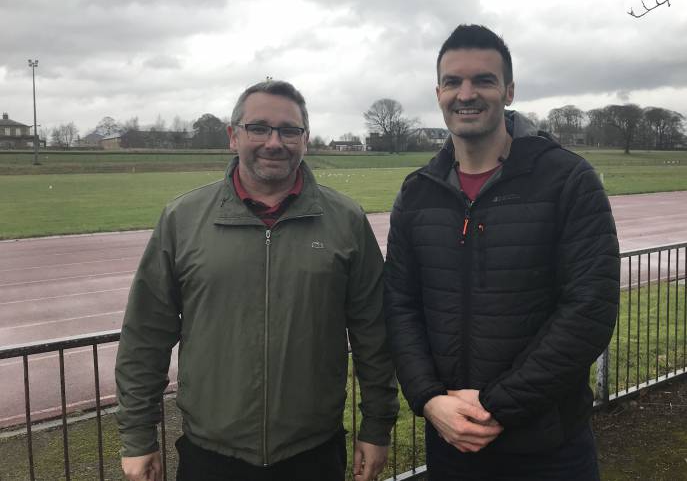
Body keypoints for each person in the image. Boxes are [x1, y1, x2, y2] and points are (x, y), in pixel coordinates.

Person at [115, 79, 398, 481]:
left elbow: (374, 333)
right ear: (234, 136)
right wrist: (138, 435)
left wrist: (377, 425)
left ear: (305, 139)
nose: (274, 142)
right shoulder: (183, 218)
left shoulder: (346, 220)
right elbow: (146, 333)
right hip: (211, 453)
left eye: (289, 130)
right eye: (259, 128)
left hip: (313, 452)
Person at [383, 24, 620, 481]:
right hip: (451, 439)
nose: (466, 93)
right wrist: (430, 399)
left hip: (549, 447)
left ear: (508, 90)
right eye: (453, 81)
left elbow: (590, 308)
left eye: (483, 80)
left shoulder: (567, 179)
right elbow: (400, 306)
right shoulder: (417, 193)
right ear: (438, 92)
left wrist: (498, 406)